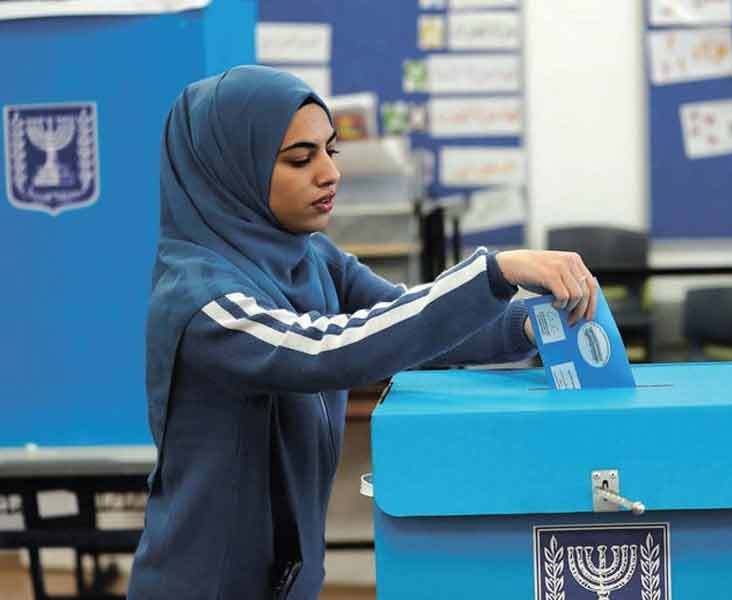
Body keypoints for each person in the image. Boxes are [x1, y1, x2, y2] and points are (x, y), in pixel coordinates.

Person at [127, 65, 598, 599]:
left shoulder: (312, 257)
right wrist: (493, 271)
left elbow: (411, 323)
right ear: (230, 172)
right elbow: (329, 350)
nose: (329, 174)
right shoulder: (200, 299)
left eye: (332, 151)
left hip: (286, 577)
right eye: (300, 160)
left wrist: (535, 324)